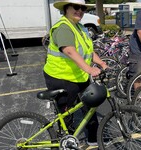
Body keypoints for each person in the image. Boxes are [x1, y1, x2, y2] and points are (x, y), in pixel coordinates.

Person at [42, 0, 108, 146]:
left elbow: (89, 51)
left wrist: (101, 63)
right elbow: (69, 50)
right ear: (66, 9)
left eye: (82, 8)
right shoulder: (63, 27)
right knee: (66, 113)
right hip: (60, 77)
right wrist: (89, 69)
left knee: (90, 106)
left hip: (79, 76)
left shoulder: (80, 28)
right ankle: (67, 141)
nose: (80, 10)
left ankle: (93, 139)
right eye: (76, 7)